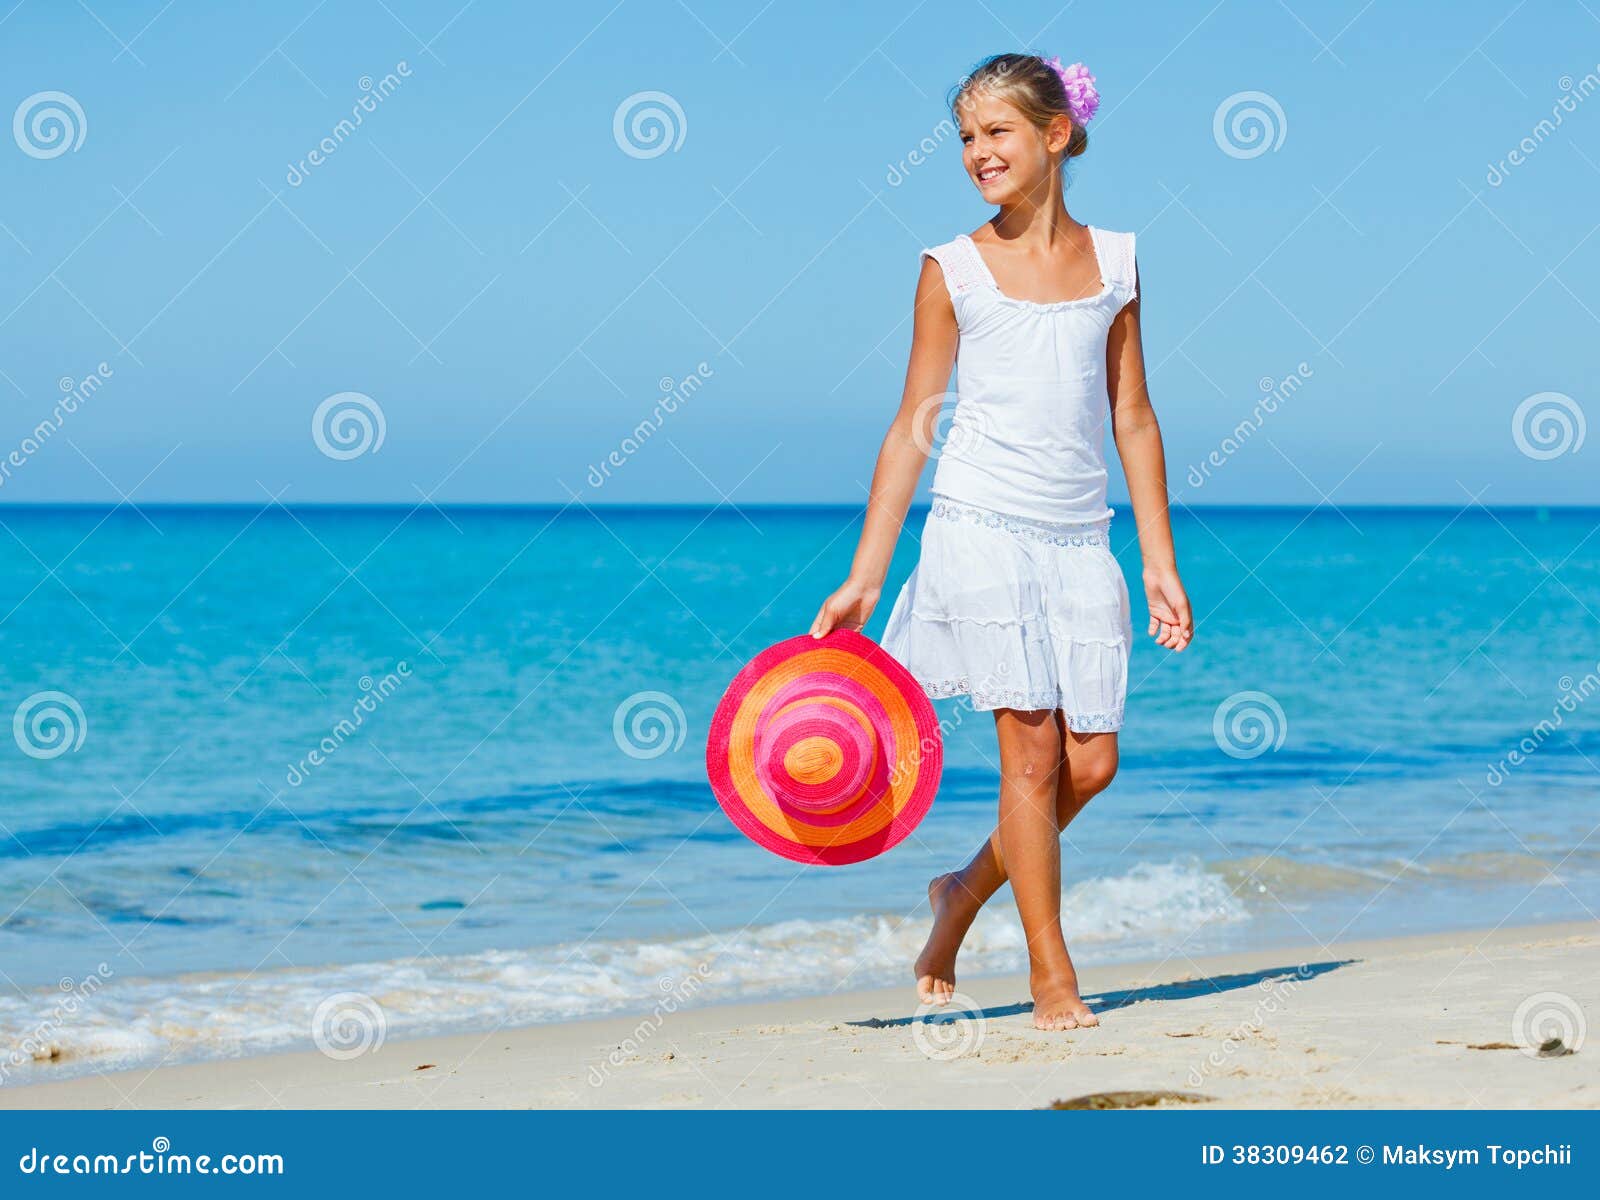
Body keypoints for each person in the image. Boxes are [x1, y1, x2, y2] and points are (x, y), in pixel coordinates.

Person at [809, 53, 1194, 1031]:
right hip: (978, 528)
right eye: (965, 138)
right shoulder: (951, 269)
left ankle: (959, 894)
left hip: (1078, 539)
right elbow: (913, 425)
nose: (977, 152)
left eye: (997, 132)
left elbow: (1133, 414)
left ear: (1055, 135)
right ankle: (1051, 976)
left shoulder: (1118, 260)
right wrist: (865, 574)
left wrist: (1158, 561)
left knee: (1091, 765)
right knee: (1027, 759)